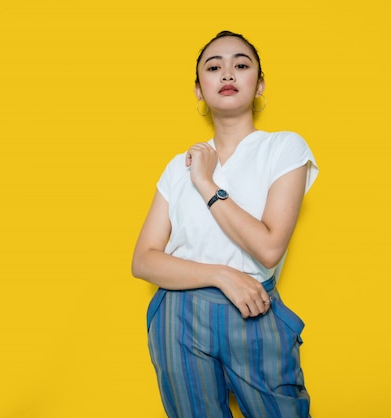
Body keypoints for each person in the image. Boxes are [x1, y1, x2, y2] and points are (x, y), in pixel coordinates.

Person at [131, 30, 318, 418]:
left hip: (254, 309)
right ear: (199, 90)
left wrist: (205, 182)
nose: (227, 74)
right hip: (178, 316)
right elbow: (143, 261)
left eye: (241, 65)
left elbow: (268, 247)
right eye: (214, 67)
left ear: (259, 83)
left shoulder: (284, 148)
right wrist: (220, 274)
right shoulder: (175, 166)